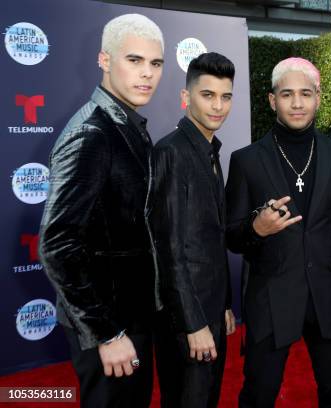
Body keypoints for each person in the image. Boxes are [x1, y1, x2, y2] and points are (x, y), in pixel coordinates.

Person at [225, 57, 331, 408]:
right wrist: (257, 229)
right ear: (272, 100)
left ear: (318, 97)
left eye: (305, 93)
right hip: (271, 297)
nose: (297, 102)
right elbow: (231, 236)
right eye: (287, 94)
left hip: (329, 297)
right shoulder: (246, 160)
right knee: (259, 394)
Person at [38, 14, 164, 407]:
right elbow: (57, 245)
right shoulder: (91, 133)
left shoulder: (127, 123)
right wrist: (105, 334)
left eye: (155, 64)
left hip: (131, 319)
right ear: (104, 60)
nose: (147, 74)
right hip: (108, 326)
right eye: (134, 60)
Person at [146, 52, 236, 407]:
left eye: (226, 96)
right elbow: (169, 249)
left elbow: (210, 241)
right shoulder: (171, 152)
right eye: (208, 95)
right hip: (186, 320)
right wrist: (194, 324)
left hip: (209, 310)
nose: (218, 106)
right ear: (187, 98)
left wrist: (223, 305)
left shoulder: (209, 150)